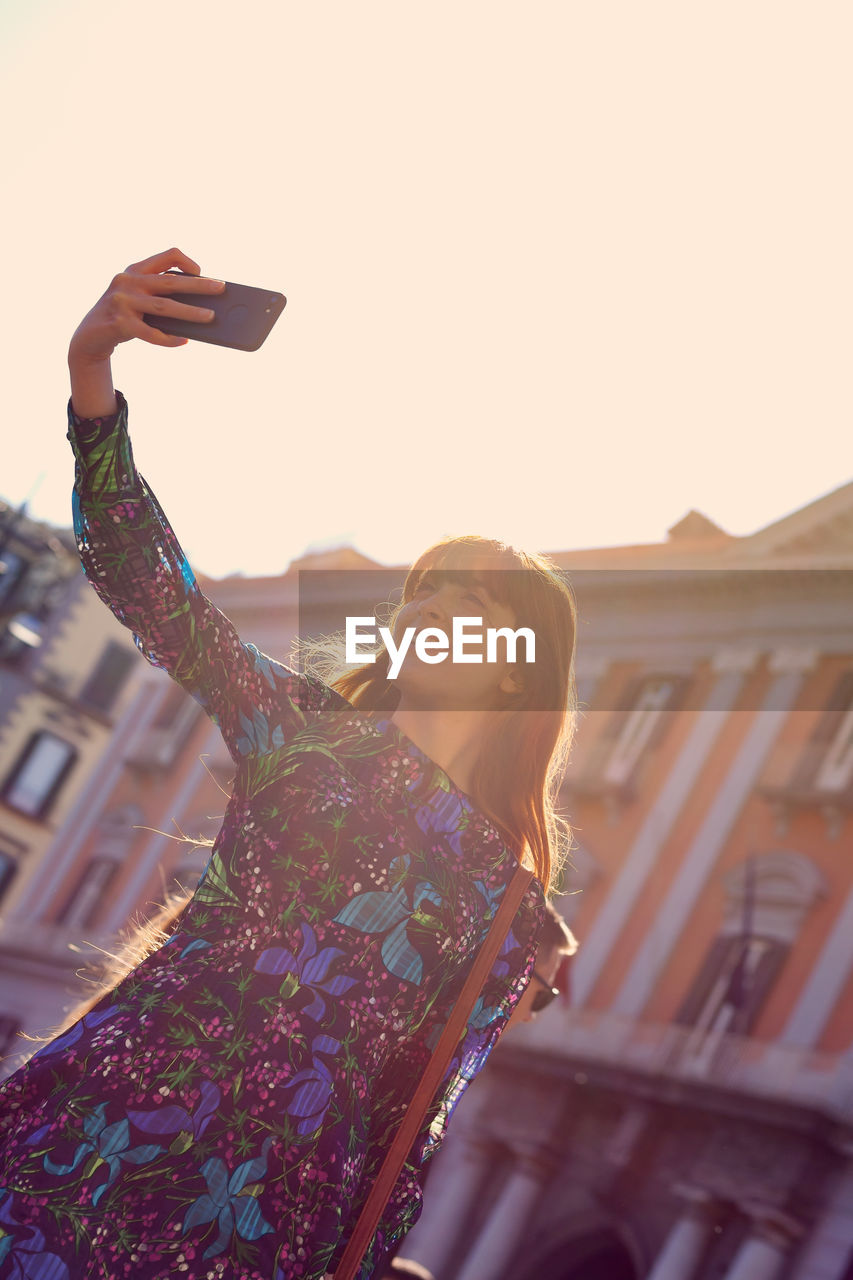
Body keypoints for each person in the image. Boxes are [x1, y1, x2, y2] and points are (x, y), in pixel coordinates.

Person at [0, 248, 580, 1280]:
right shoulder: (303, 727)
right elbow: (151, 586)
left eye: (472, 598)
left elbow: (419, 1118)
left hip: (260, 1216)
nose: (429, 604)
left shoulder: (508, 894)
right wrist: (92, 372)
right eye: (425, 584)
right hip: (98, 1127)